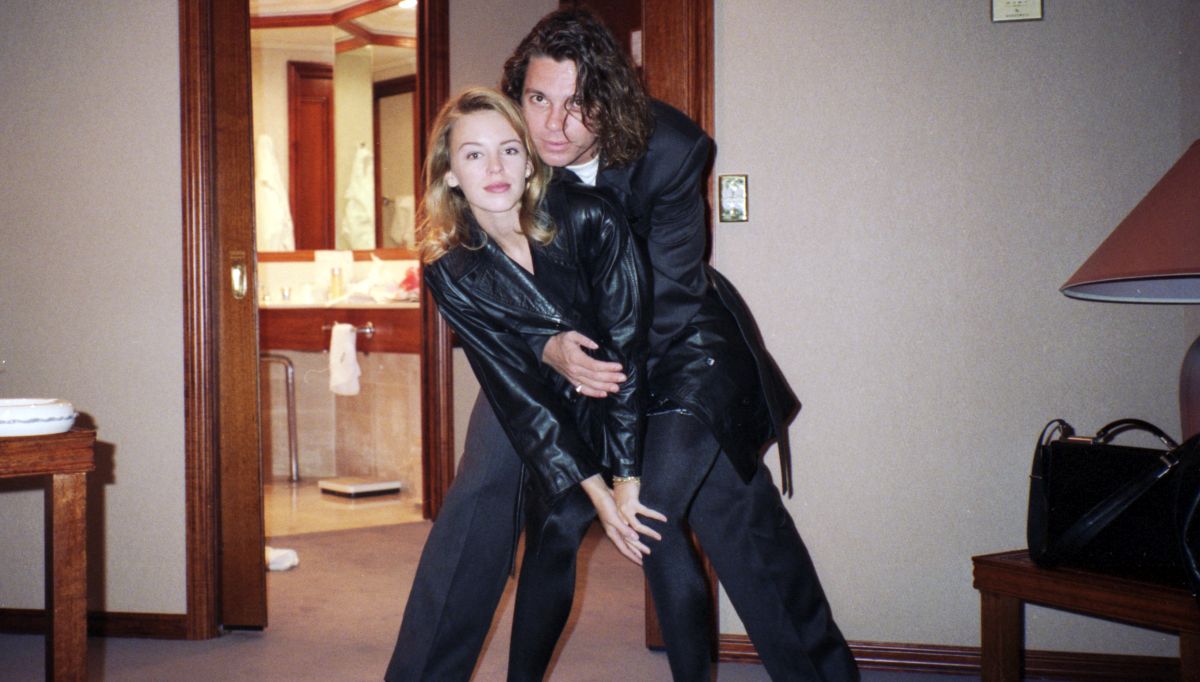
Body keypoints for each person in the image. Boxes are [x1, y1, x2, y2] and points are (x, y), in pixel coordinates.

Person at [499, 8, 861, 681]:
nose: (553, 124)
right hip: (587, 358)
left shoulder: (669, 148)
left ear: (611, 97)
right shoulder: (510, 152)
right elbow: (490, 276)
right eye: (538, 99)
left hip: (685, 347)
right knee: (738, 519)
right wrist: (550, 348)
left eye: (577, 104)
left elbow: (669, 302)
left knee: (654, 520)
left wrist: (618, 416)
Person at [384, 87, 663, 681]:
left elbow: (626, 353)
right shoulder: (450, 266)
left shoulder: (588, 216)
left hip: (638, 384)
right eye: (474, 154)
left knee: (593, 530)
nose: (495, 168)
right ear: (450, 173)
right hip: (530, 386)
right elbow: (513, 386)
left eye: (509, 149)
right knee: (477, 508)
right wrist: (594, 487)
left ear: (530, 161)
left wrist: (624, 478)